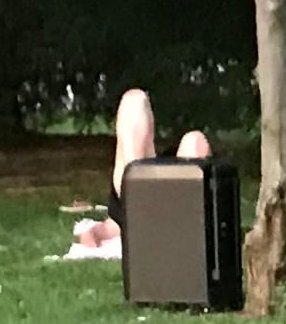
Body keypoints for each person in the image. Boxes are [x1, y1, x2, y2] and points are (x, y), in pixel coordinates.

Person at [67, 88, 213, 255]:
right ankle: (137, 192)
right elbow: (108, 229)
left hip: (173, 206)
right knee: (134, 100)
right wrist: (92, 235)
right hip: (140, 197)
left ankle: (163, 217)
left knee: (194, 141)